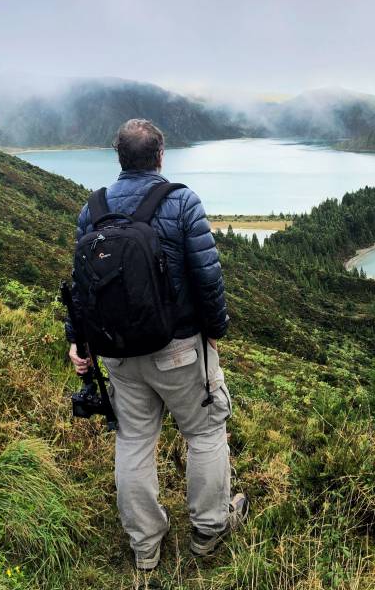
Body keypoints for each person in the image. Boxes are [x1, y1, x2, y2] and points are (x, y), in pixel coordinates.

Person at [66, 118, 248, 571]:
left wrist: (80, 344)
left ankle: (145, 548)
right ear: (161, 155)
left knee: (132, 442)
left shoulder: (93, 210)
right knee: (205, 433)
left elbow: (82, 286)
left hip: (119, 354)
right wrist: (216, 330)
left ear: (118, 156)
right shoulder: (181, 201)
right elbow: (208, 277)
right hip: (180, 349)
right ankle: (209, 531)